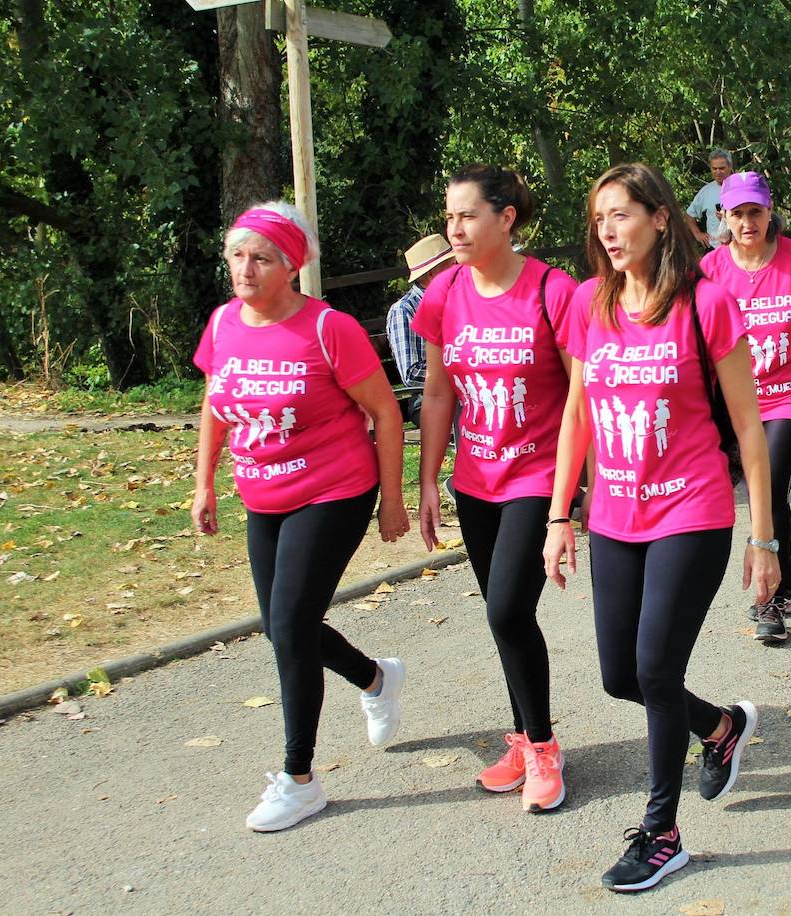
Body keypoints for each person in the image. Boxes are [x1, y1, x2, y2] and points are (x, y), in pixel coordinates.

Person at [544, 163, 775, 893]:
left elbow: (749, 427)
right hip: (615, 514)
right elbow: (576, 415)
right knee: (621, 676)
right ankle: (720, 729)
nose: (609, 231)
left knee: (654, 669)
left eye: (622, 214)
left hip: (691, 511)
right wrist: (559, 514)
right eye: (599, 218)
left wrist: (764, 538)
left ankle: (661, 834)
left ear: (661, 218)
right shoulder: (590, 303)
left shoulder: (706, 304)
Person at [191, 202, 411, 832]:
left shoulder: (327, 329)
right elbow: (214, 403)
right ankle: (375, 678)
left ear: (291, 266)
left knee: (290, 625)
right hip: (262, 496)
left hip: (333, 491)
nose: (245, 269)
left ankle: (299, 779)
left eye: (261, 258)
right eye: (237, 255)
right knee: (281, 626)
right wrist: (203, 482)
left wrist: (391, 498)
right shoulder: (223, 324)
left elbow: (386, 413)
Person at [413, 164, 579, 814]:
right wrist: (428, 479)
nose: (454, 228)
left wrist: (573, 499)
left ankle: (543, 748)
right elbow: (437, 393)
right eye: (449, 217)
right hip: (475, 481)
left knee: (507, 611)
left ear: (506, 218)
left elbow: (582, 397)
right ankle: (523, 737)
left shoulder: (552, 290)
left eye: (467, 215)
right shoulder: (444, 292)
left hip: (536, 478)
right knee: (502, 617)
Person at [700, 170, 791, 642]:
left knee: (767, 481)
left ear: (770, 213)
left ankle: (770, 597)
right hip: (736, 400)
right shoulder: (711, 269)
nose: (748, 222)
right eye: (738, 214)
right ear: (724, 216)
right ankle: (790, 586)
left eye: (756, 212)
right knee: (743, 487)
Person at [386, 233, 456, 425]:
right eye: (452, 265)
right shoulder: (404, 310)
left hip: (466, 391)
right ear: (432, 274)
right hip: (428, 398)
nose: (459, 270)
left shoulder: (460, 297)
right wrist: (461, 373)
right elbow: (411, 373)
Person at [685, 148, 733, 248]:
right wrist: (697, 234)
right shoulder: (706, 191)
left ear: (730, 167)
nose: (718, 172)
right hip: (714, 247)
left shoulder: (741, 187)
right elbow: (689, 215)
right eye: (714, 168)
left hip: (737, 247)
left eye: (721, 168)